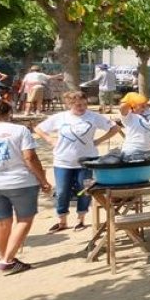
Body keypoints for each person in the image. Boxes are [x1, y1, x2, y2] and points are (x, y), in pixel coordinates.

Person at [0, 100, 53, 275]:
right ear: (8, 113)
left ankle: (4, 258)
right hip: (20, 182)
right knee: (24, 220)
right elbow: (30, 157)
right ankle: (7, 260)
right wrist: (43, 180)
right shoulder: (19, 130)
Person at [34, 91, 120, 232]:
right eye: (78, 105)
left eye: (84, 104)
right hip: (63, 161)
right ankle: (62, 220)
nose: (82, 108)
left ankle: (81, 219)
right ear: (69, 105)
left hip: (87, 160)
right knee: (62, 191)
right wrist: (50, 139)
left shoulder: (93, 117)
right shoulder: (60, 117)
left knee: (84, 190)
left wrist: (99, 140)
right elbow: (38, 128)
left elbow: (115, 128)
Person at [118, 92, 150, 157]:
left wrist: (143, 103)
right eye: (142, 106)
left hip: (149, 151)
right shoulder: (128, 116)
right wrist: (131, 99)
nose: (144, 108)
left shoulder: (147, 112)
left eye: (145, 106)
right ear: (133, 106)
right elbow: (122, 107)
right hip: (133, 151)